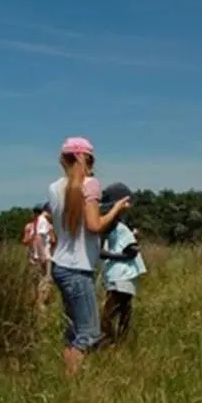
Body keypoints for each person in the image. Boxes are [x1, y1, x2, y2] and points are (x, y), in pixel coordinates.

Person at [48, 137, 130, 376]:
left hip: (60, 265)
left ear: (63, 160)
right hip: (78, 268)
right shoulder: (90, 185)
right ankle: (71, 380)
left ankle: (68, 378)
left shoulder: (54, 188)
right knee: (89, 333)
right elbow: (94, 226)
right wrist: (116, 210)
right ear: (89, 160)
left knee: (73, 330)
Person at [98, 183, 146, 345]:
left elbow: (130, 250)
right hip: (124, 276)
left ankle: (109, 343)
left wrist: (111, 255)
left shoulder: (119, 227)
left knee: (107, 316)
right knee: (124, 312)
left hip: (120, 276)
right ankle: (121, 344)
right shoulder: (118, 227)